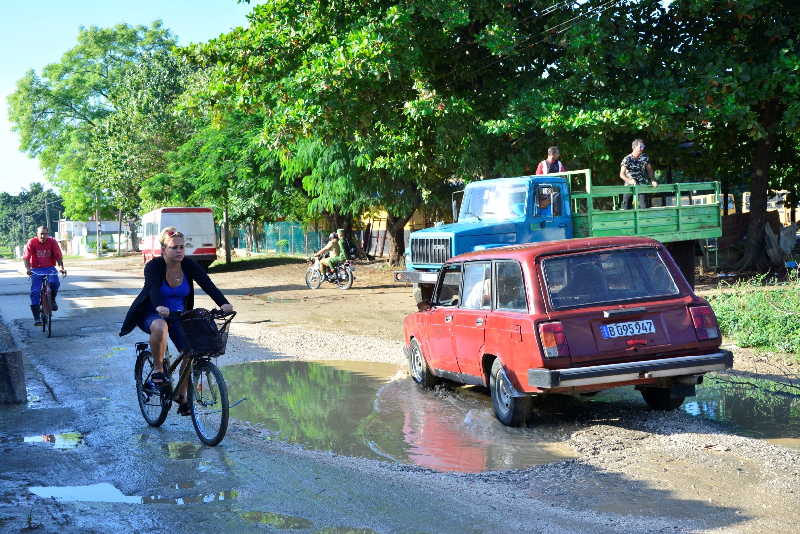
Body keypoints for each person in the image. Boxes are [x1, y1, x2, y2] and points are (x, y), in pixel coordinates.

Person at [119, 227, 233, 416]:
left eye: (182, 247)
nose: (179, 251)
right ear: (164, 249)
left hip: (179, 315)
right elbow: (153, 289)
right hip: (152, 312)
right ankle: (157, 369)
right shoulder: (154, 266)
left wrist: (223, 303)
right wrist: (159, 307)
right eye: (174, 248)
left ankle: (181, 395)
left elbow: (207, 283)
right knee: (160, 326)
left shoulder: (188, 265)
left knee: (192, 349)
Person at [23, 226, 66, 326]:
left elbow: (58, 256)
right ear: (37, 234)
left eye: (45, 234)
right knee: (35, 291)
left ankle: (52, 299)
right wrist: (28, 269)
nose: (43, 236)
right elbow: (26, 257)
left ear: (48, 234)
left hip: (50, 268)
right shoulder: (32, 242)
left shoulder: (52, 242)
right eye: (41, 234)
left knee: (54, 283)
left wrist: (61, 268)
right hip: (36, 269)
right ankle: (37, 318)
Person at [620, 138, 657, 209]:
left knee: (644, 206)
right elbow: (621, 174)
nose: (642, 148)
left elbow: (650, 170)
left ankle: (644, 220)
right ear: (634, 147)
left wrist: (653, 180)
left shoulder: (645, 157)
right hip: (629, 186)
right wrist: (629, 181)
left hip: (642, 185)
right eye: (641, 146)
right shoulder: (627, 159)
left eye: (643, 146)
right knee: (626, 207)